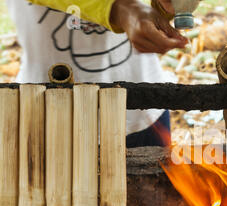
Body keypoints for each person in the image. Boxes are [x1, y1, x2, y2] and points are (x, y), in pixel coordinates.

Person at [6, 0, 188, 147]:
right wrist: (121, 8)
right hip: (50, 122)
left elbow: (155, 9)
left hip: (143, 112)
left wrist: (165, 8)